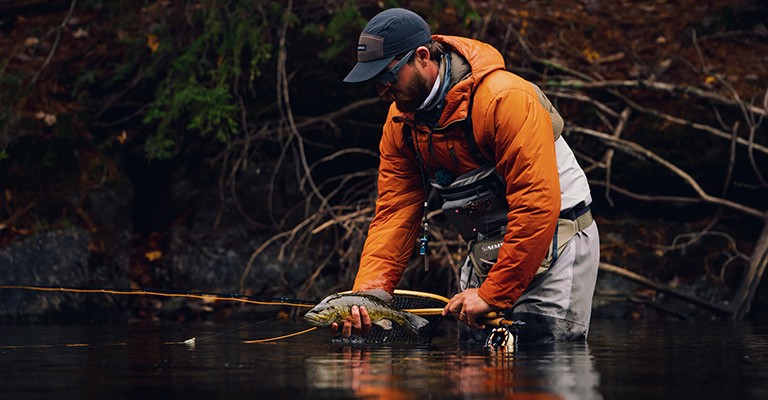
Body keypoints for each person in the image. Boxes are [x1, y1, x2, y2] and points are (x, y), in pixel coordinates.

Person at [332, 8, 600, 343]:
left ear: (422, 57)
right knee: (476, 366)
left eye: (388, 78)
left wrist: (492, 295)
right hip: (487, 246)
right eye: (375, 84)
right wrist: (367, 299)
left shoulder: (504, 99)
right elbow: (394, 214)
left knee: (541, 351)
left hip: (557, 234)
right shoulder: (399, 124)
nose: (383, 91)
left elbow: (536, 206)